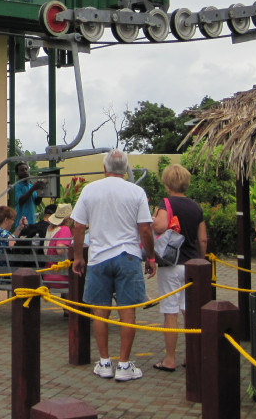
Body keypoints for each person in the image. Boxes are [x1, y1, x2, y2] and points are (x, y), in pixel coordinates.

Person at [71, 150, 156, 382]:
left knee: (100, 310)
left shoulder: (90, 190)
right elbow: (145, 228)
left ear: (104, 167)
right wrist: (150, 257)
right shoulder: (136, 191)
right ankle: (125, 365)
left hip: (98, 257)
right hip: (128, 255)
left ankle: (105, 362)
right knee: (127, 310)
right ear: (126, 168)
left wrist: (78, 256)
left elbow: (78, 226)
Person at [150, 163, 207, 373]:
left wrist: (153, 219)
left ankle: (170, 359)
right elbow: (202, 240)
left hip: (171, 264)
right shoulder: (196, 207)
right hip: (192, 266)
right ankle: (192, 356)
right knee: (189, 312)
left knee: (170, 312)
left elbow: (160, 226)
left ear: (167, 183)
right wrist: (201, 260)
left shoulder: (165, 203)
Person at [42, 202, 74, 288]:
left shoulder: (49, 229)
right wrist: (71, 255)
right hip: (61, 276)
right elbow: (60, 248)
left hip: (48, 274)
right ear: (69, 219)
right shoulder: (64, 229)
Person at [14, 162, 47, 227]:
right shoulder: (17, 186)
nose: (25, 171)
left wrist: (41, 192)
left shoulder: (30, 185)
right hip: (21, 224)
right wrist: (33, 188)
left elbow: (36, 202)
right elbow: (21, 201)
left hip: (32, 222)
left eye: (26, 169)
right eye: (22, 170)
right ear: (17, 173)